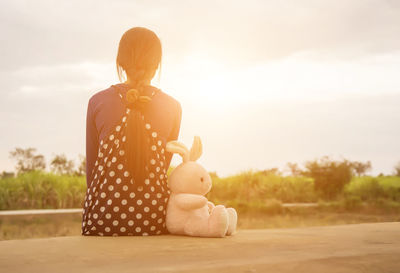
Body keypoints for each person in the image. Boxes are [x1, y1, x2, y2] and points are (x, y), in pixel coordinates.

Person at [81, 27, 182, 236]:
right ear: (156, 65)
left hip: (101, 219)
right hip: (153, 220)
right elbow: (162, 167)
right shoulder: (173, 107)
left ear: (120, 62)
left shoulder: (97, 101)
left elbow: (92, 171)